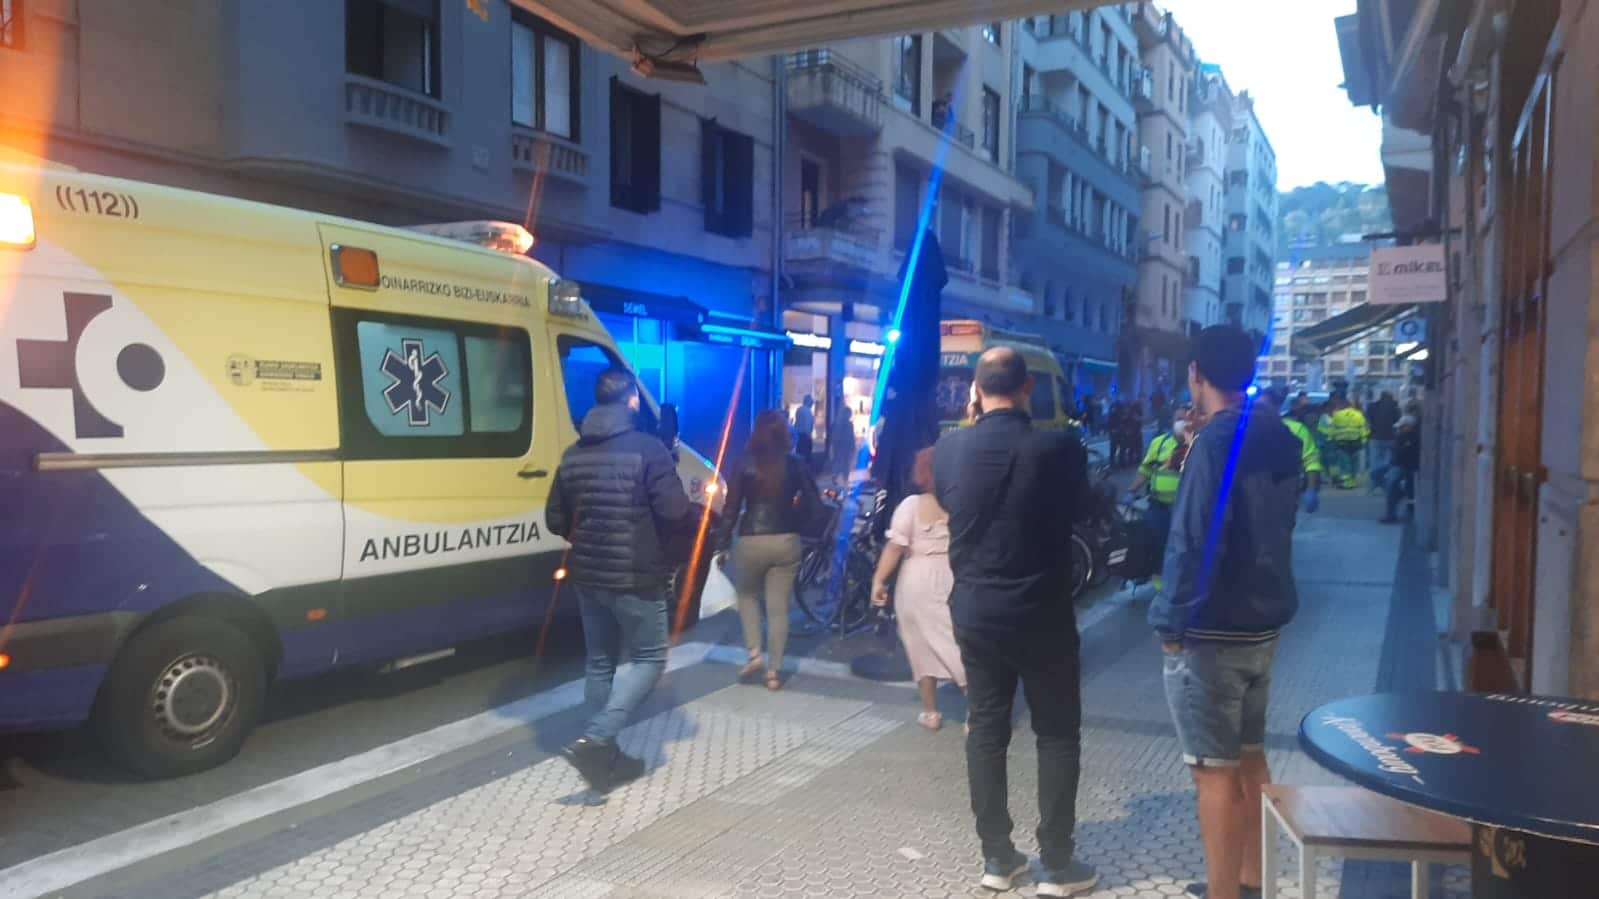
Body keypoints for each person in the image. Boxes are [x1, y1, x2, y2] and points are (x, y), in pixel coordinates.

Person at [932, 347, 1097, 897]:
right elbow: (1082, 508)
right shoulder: (1060, 447)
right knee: (1057, 733)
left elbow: (952, 502)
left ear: (974, 392)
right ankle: (1058, 863)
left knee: (986, 727)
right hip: (1043, 612)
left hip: (976, 610)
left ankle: (998, 859)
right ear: (1028, 389)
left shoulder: (949, 449)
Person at [1150, 327, 1301, 899]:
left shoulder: (1215, 443)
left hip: (1211, 628)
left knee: (1212, 773)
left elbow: (1193, 540)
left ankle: (1223, 893)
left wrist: (1171, 622)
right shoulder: (1278, 433)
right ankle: (1252, 880)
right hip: (1264, 621)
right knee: (1250, 760)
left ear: (1196, 374)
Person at [546, 368, 692, 794]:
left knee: (600, 663)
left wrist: (587, 532)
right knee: (650, 659)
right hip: (635, 575)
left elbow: (554, 518)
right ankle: (596, 739)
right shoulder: (649, 449)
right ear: (631, 401)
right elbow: (676, 511)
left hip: (587, 575)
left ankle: (604, 760)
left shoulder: (572, 454)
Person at [717, 410, 816, 691]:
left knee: (746, 595)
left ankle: (754, 655)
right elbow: (814, 504)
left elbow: (731, 509)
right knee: (778, 608)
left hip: (751, 540)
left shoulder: (744, 463)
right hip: (786, 541)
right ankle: (774, 672)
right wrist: (797, 522)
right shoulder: (796, 464)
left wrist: (722, 543)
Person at [872, 448, 966, 730]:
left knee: (920, 646)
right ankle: (977, 710)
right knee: (954, 640)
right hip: (955, 575)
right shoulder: (963, 504)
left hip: (917, 579)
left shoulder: (911, 505)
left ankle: (931, 712)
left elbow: (895, 547)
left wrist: (878, 580)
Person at [1128, 404, 1194, 590]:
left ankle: (1181, 585)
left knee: (1182, 549)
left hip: (1184, 509)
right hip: (1158, 507)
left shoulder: (1197, 444)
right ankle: (1161, 587)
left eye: (1185, 419)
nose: (1181, 423)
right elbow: (1145, 470)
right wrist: (1131, 491)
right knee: (1157, 545)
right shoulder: (1159, 443)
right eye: (1178, 419)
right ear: (1172, 421)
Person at [1261, 387, 1322, 514]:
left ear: (1277, 406)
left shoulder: (1296, 429)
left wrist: (1311, 489)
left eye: (1265, 406)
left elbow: (1311, 460)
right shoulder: (1243, 430)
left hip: (1286, 491)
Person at [1318, 393, 1370, 489]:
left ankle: (1347, 482)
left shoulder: (1338, 415)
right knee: (1354, 463)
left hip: (1342, 443)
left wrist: (1331, 439)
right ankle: (1353, 481)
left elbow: (1333, 429)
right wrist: (1363, 441)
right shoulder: (1358, 415)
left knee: (1345, 463)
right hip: (1356, 442)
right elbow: (1363, 429)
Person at [1381, 415, 1420, 524]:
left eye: (1402, 427)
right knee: (1382, 477)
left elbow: (1403, 453)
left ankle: (1392, 512)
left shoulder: (1411, 437)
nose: (1400, 429)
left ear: (1409, 426)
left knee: (1392, 486)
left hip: (1405, 466)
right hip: (1401, 465)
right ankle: (1397, 498)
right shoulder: (1402, 436)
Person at [1365, 390, 1400, 483]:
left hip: (1375, 437)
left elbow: (1368, 420)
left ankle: (1375, 479)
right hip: (1390, 438)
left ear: (1380, 397)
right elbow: (1397, 422)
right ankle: (1385, 478)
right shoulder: (1395, 407)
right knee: (1387, 460)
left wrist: (1371, 430)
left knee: (1374, 460)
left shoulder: (1373, 406)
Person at [792, 395, 816, 466]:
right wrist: (809, 435)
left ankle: (799, 467)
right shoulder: (808, 412)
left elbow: (797, 422)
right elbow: (808, 425)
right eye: (811, 402)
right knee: (806, 455)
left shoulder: (799, 409)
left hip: (799, 435)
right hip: (806, 436)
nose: (812, 404)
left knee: (799, 453)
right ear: (808, 402)